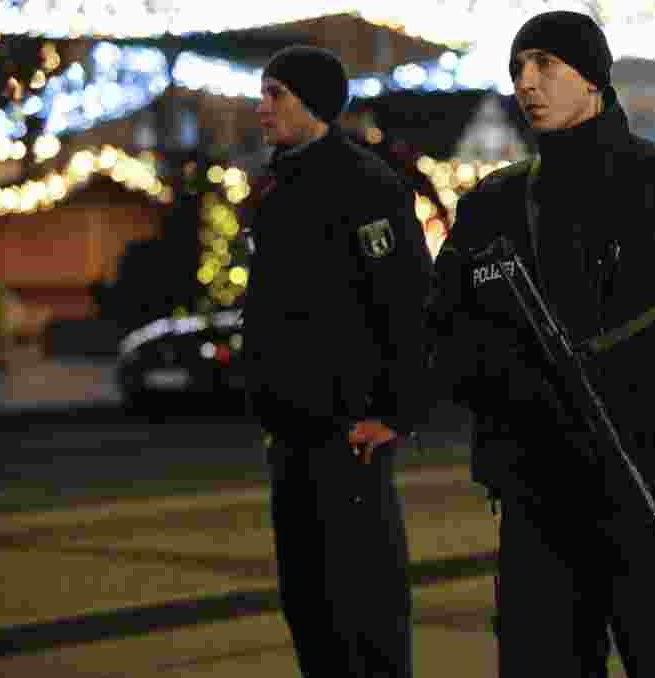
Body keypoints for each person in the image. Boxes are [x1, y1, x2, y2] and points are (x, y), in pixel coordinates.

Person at [428, 11, 655, 677]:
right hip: (538, 499)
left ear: (593, 79)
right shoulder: (494, 205)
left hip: (647, 488)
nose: (527, 82)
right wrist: (507, 394)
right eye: (518, 68)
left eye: (546, 64)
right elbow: (445, 328)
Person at [242, 45, 432, 678]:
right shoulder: (274, 185)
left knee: (364, 609)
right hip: (291, 434)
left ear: (315, 103)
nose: (262, 107)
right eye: (263, 93)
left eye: (277, 95)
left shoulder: (364, 182)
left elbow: (407, 303)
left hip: (352, 434)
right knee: (310, 607)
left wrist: (395, 413)